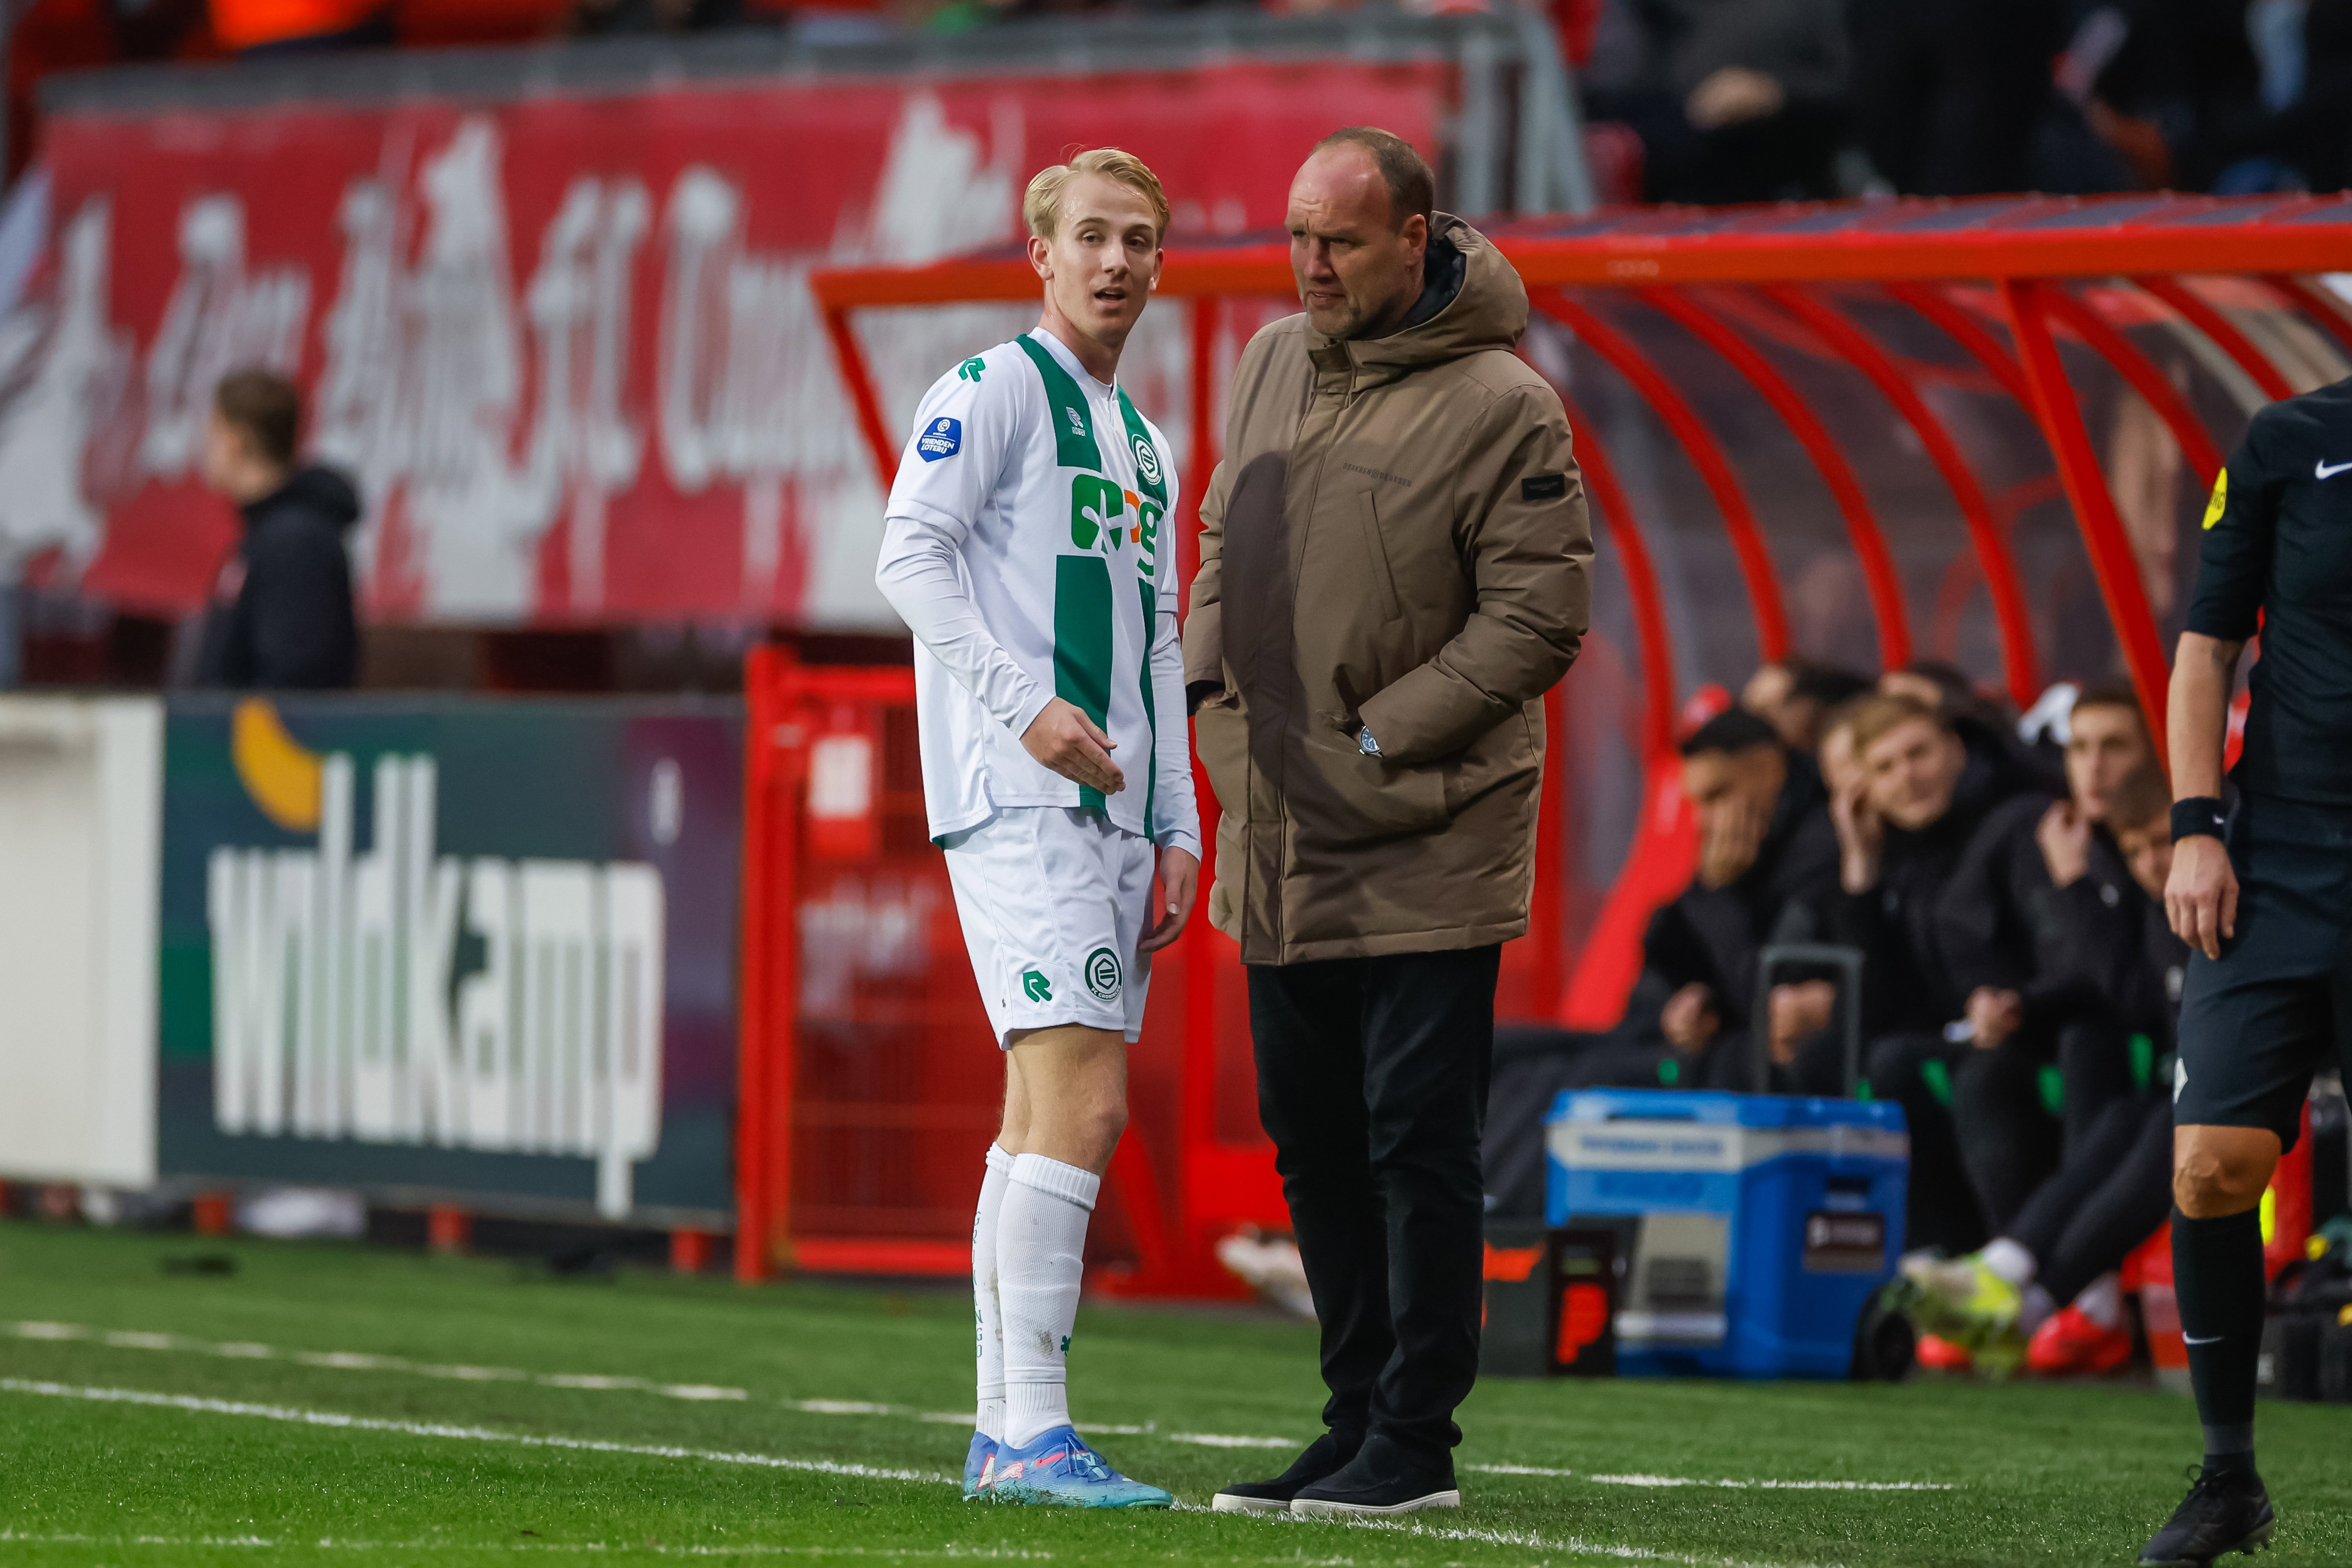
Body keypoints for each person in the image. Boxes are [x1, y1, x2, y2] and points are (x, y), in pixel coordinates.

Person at [1184, 127, 1590, 1519]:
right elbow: (1222, 549)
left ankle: (1416, 1444)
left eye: (1340, 241)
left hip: (1428, 829)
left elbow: (1539, 614)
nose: (1310, 265)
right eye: (1298, 237)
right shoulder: (1268, 364)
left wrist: (1371, 737)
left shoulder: (1507, 404)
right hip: (1279, 825)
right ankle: (1352, 1415)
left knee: (1416, 1133)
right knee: (1308, 1133)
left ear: (1415, 239)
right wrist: (1208, 704)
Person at [871, 148, 1199, 1511]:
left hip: (1113, 812)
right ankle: (1031, 1434)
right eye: (1093, 240)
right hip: (1025, 799)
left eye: (1140, 242)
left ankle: (1009, 1432)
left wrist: (1179, 814)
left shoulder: (1145, 439)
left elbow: (1161, 637)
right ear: (1042, 256)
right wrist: (1021, 710)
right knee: (1084, 1100)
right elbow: (907, 555)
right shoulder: (998, 388)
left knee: (1032, 1120)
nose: (1117, 262)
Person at [2143, 374, 2352, 1565]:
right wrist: (2193, 825)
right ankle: (2228, 1478)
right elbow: (2206, 644)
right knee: (2214, 1163)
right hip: (2276, 855)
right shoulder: (2289, 439)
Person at [1900, 764, 2186, 1378]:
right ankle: (2013, 1279)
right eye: (2134, 849)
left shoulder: (2225, 904)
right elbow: (2124, 994)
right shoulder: (2158, 913)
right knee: (2120, 1108)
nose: (2150, 862)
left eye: (2164, 841)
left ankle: (2025, 1295)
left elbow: (2120, 989)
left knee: (2169, 1117)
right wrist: (2021, 1006)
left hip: (2248, 1095)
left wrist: (2074, 883)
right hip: (2176, 1087)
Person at [1818, 692, 2029, 1256]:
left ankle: (1981, 1257)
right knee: (1866, 1058)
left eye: (1918, 755)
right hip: (1956, 1036)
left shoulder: (2013, 820)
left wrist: (2015, 1000)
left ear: (1955, 750)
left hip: (2033, 1026)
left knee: (1915, 1069)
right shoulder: (1898, 858)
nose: (1906, 778)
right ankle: (1932, 1255)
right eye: (1884, 768)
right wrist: (1858, 871)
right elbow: (1874, 1010)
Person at [197, 369, 361, 691]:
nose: (204, 448)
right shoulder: (269, 533)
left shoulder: (296, 540)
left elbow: (295, 680)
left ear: (235, 440)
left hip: (268, 740)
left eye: (212, 432)